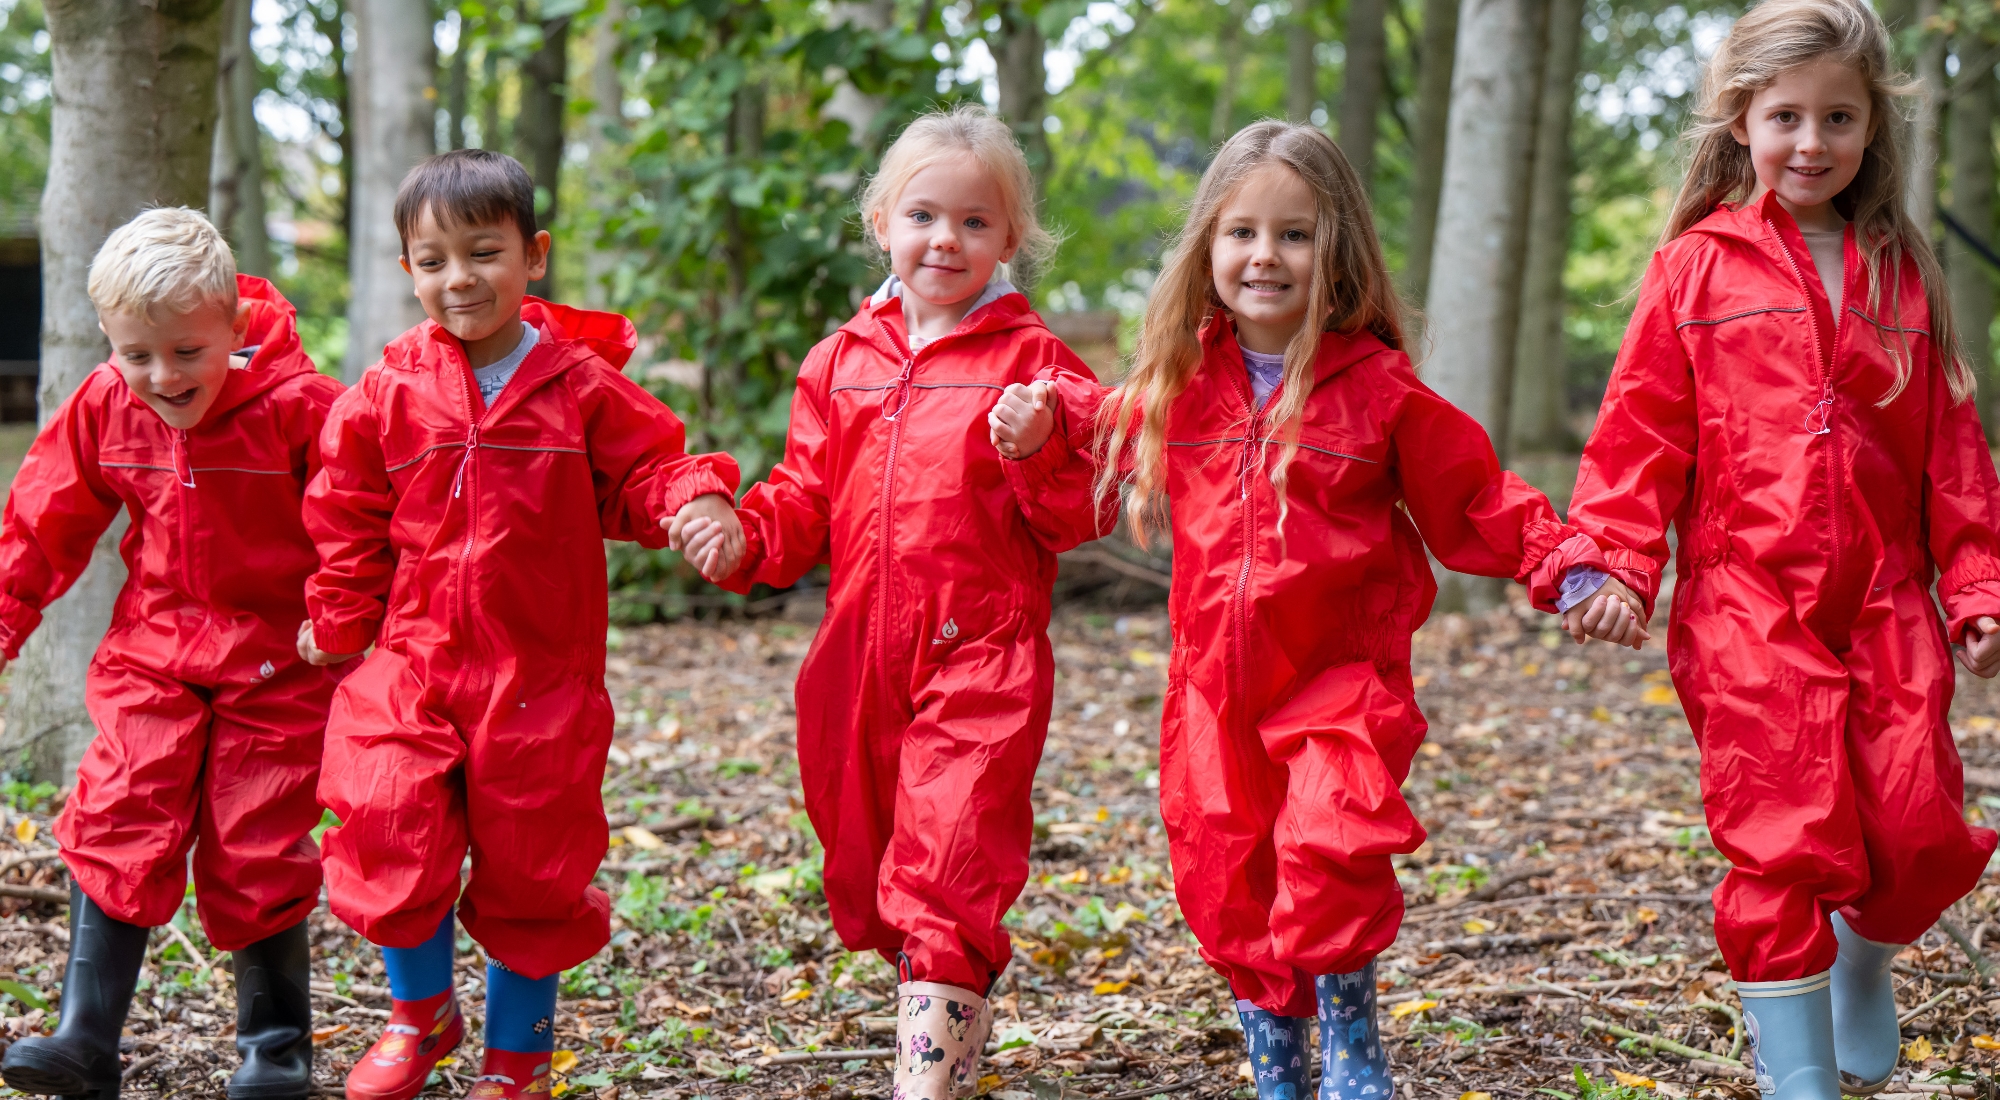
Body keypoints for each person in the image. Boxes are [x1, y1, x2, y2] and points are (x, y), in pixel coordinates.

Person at [988, 121, 1620, 1100]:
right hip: (1215, 692)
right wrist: (1032, 437)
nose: (1264, 255)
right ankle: (1277, 1062)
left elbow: (1474, 497)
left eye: (1294, 234)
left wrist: (1567, 566)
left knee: (1332, 844)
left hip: (1340, 682)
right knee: (1227, 873)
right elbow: (1081, 466)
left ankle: (1352, 1041)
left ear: (1337, 250)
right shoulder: (1176, 384)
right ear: (1207, 244)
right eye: (1241, 232)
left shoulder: (1377, 390)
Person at [1546, 2, 2000, 1096]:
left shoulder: (1901, 271)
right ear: (1740, 120)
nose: (1810, 142)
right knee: (1782, 832)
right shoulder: (1694, 269)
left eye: (1837, 117)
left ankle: (1861, 961)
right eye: (1785, 116)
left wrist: (1976, 582)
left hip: (1886, 596)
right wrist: (1611, 559)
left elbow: (1950, 445)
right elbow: (1639, 431)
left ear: (1871, 126)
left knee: (1920, 825)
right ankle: (1796, 1073)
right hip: (1745, 602)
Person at [672, 105, 1106, 1100]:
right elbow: (802, 497)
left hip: (980, 650)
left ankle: (927, 1076)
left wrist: (1038, 444)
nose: (945, 240)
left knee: (949, 857)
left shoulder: (1034, 364)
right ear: (881, 224)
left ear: (1009, 237)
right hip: (859, 654)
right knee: (868, 866)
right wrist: (742, 537)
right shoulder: (840, 361)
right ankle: (936, 999)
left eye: (974, 222)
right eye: (923, 216)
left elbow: (1080, 510)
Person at [296, 149, 745, 1100]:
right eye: (433, 261)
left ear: (533, 254)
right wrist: (338, 617)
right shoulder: (390, 389)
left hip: (540, 673)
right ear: (408, 269)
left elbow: (649, 469)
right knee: (384, 811)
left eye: (484, 252)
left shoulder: (578, 384)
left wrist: (696, 498)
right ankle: (420, 1015)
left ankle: (517, 1061)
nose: (460, 278)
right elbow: (346, 508)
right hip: (415, 658)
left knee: (535, 864)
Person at [0, 208, 345, 1100]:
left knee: (256, 837)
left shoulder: (305, 408)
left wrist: (344, 619)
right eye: (137, 354)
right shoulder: (106, 403)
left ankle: (276, 1049)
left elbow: (358, 526)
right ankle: (85, 1040)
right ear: (107, 338)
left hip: (278, 660)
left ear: (234, 324)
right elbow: (40, 521)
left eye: (187, 352)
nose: (163, 376)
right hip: (154, 649)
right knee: (118, 812)